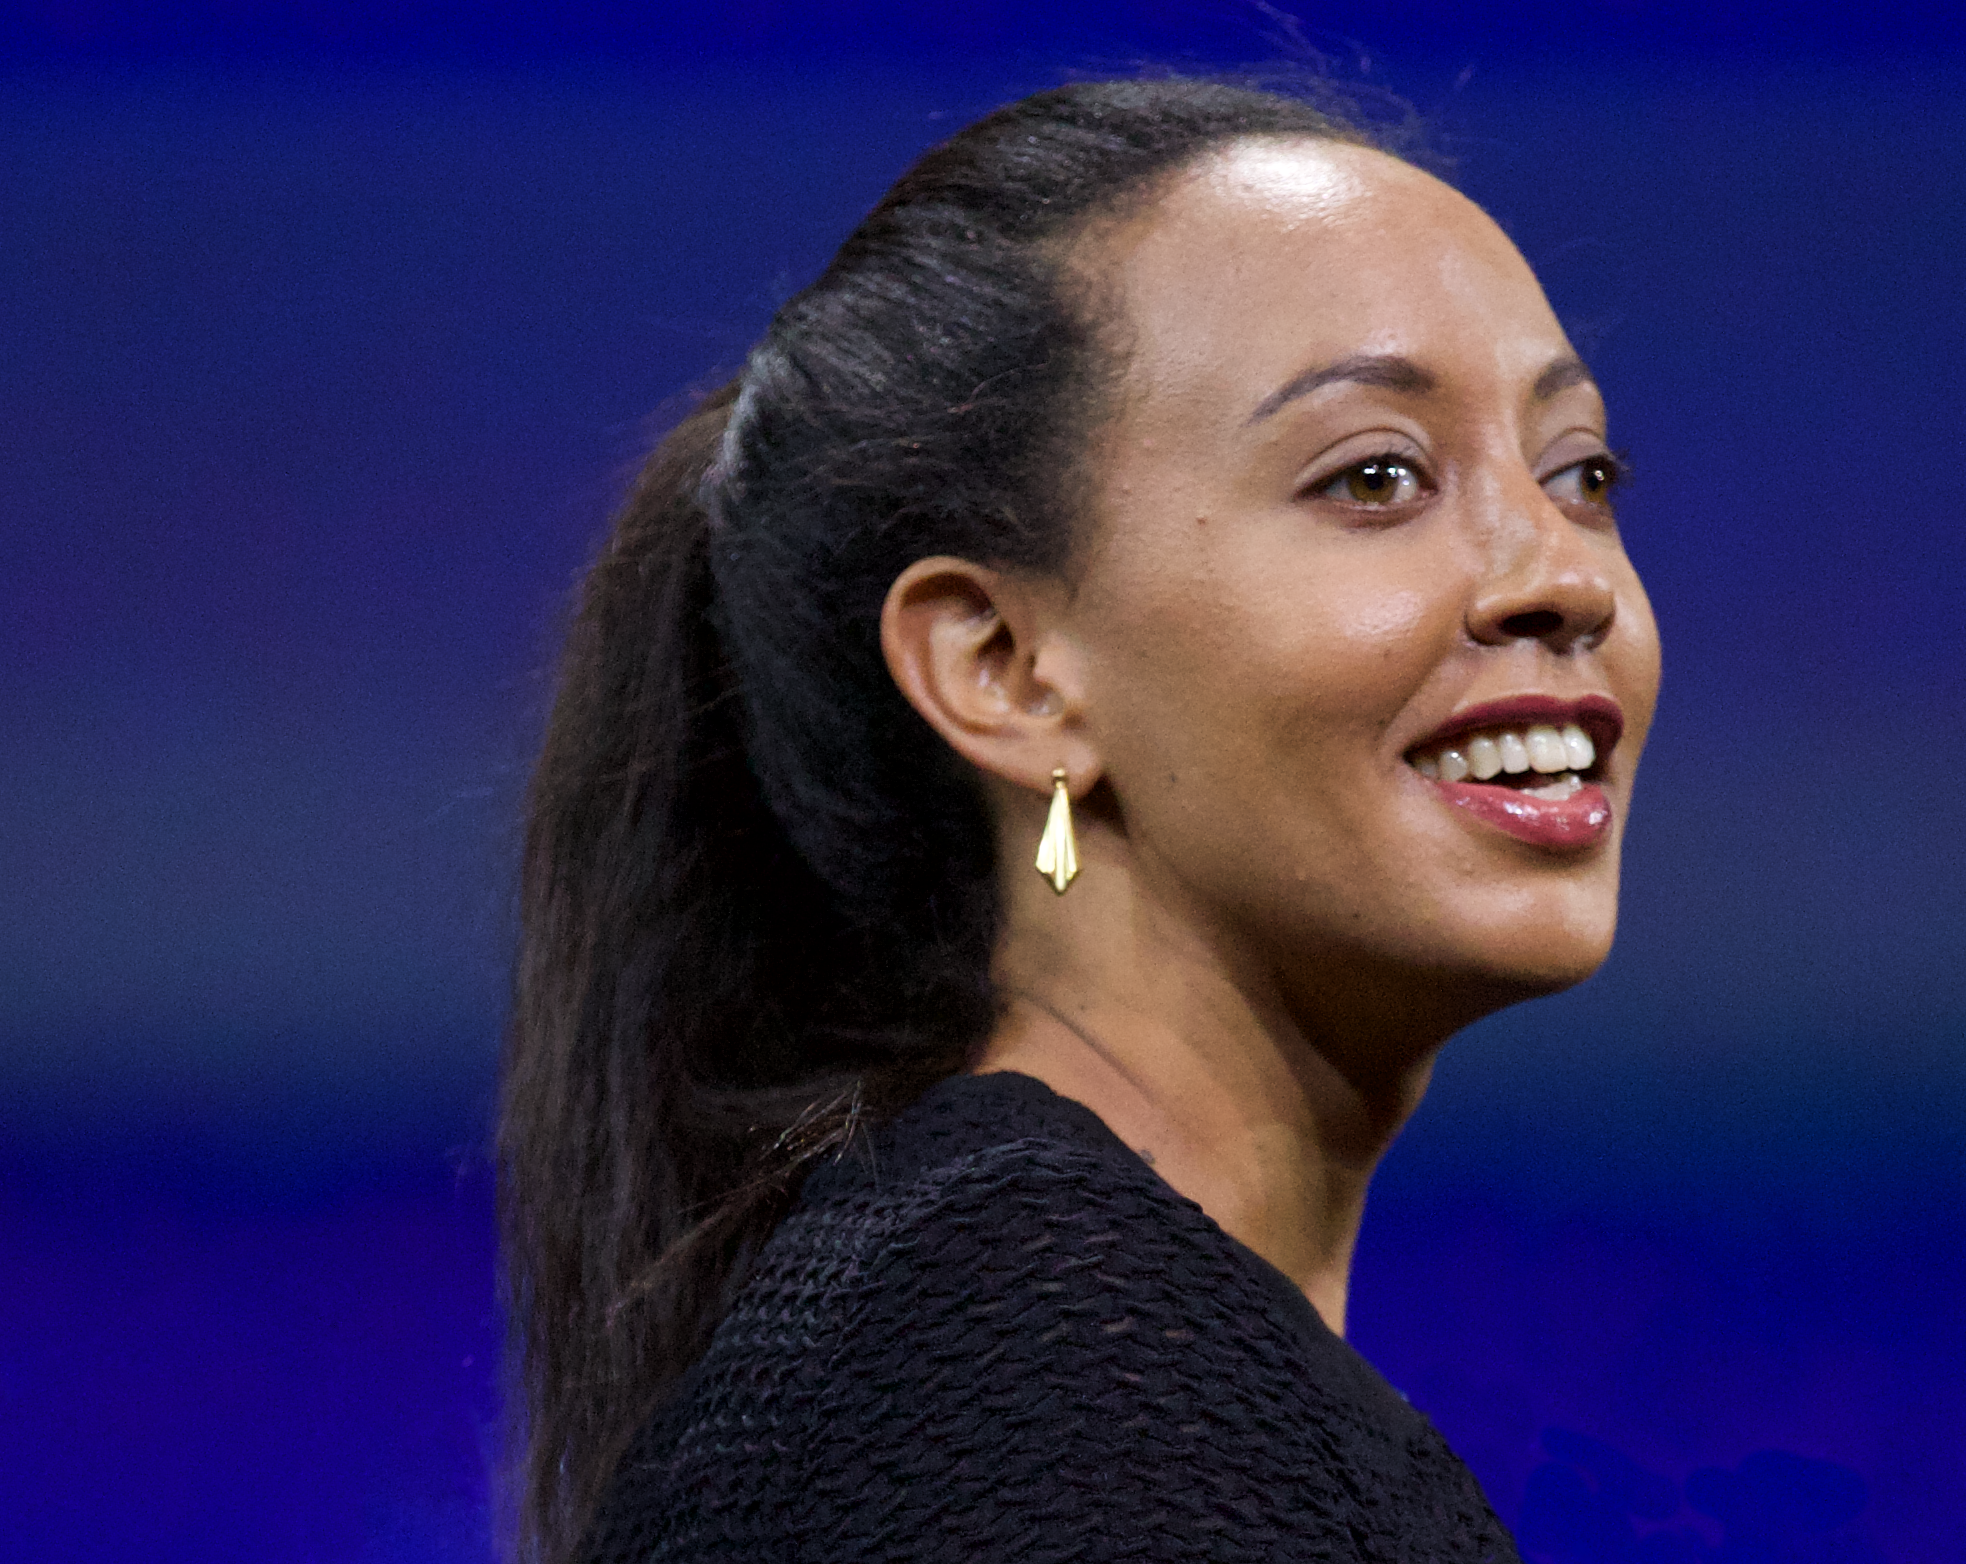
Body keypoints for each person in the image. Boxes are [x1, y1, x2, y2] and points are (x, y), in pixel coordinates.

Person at [498, 76, 1659, 1564]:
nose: (1561, 575)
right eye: (1375, 476)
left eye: (1581, 474)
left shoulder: (1029, 1332)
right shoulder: (1056, 1367)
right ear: (1005, 672)